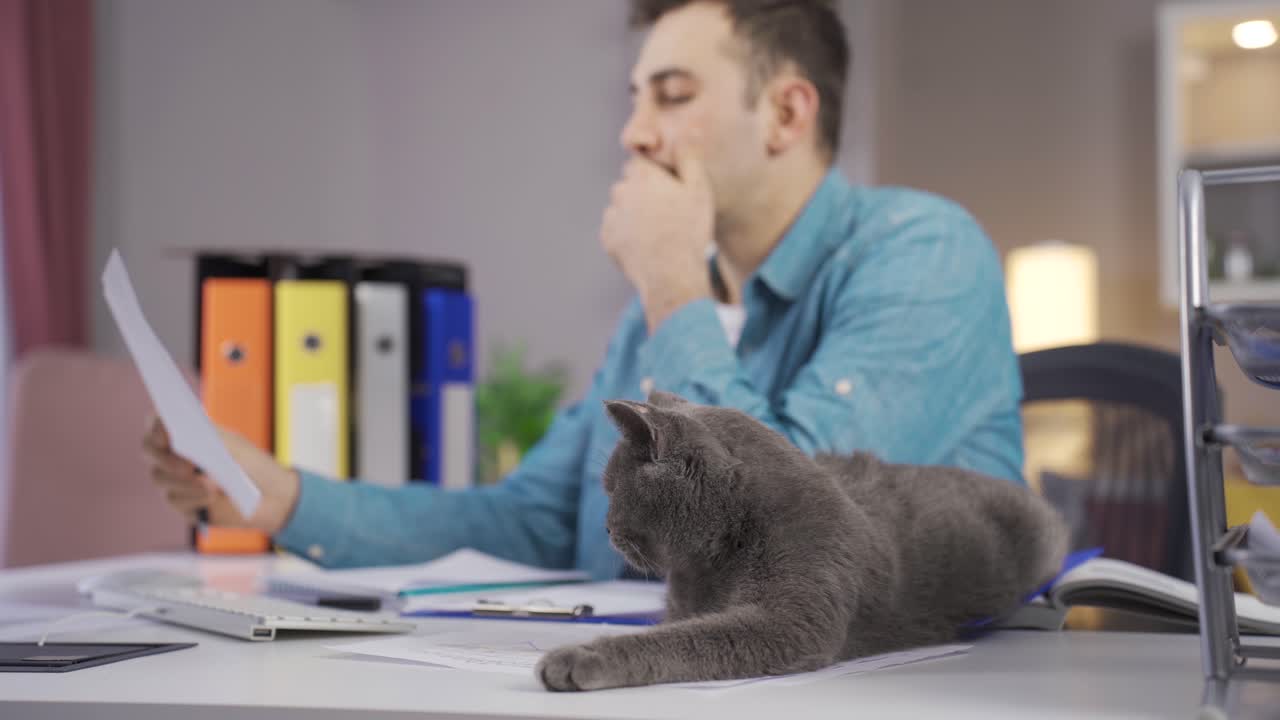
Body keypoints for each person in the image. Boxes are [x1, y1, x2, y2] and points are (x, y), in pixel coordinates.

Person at [144, 0, 1025, 580]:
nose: (635, 133)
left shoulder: (926, 251)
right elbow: (526, 522)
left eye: (672, 97)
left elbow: (781, 537)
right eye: (635, 98)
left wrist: (671, 280)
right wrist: (287, 499)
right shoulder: (674, 305)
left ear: (789, 114)